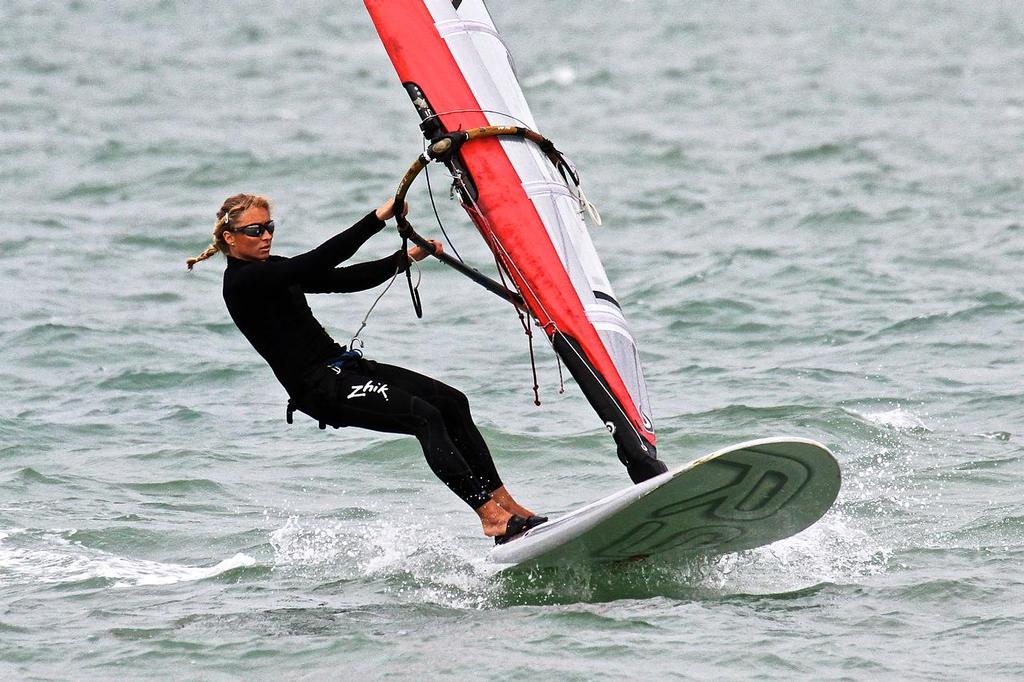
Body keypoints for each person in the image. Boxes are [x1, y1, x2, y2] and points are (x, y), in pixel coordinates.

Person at [187, 193, 546, 544]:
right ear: (230, 238)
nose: (265, 236)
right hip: (320, 389)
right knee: (424, 417)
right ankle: (491, 518)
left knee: (452, 401)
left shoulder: (271, 268)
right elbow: (316, 262)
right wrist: (377, 219)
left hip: (344, 369)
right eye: (255, 230)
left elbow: (344, 280)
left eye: (269, 227)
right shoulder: (243, 282)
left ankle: (508, 507)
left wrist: (405, 258)